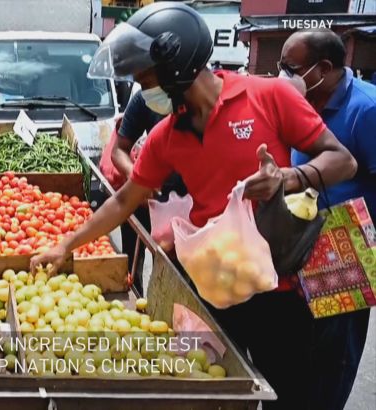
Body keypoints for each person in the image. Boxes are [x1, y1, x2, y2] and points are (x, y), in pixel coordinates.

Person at [31, 3, 356, 409]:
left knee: (285, 394)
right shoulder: (167, 136)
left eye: (145, 79)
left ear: (176, 66)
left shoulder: (267, 96)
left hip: (277, 287)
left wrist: (289, 178)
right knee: (215, 390)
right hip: (214, 288)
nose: (143, 91)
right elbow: (125, 200)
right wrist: (66, 245)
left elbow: (342, 160)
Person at [280, 28, 376, 410]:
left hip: (347, 250)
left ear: (322, 69)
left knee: (332, 362)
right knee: (294, 356)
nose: (284, 75)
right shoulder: (301, 103)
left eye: (291, 67)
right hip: (299, 244)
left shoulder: (366, 110)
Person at [110, 90, 186, 293]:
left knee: (173, 272)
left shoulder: (197, 103)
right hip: (147, 198)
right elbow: (118, 150)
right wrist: (136, 176)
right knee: (132, 262)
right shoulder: (145, 98)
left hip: (187, 207)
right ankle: (138, 296)